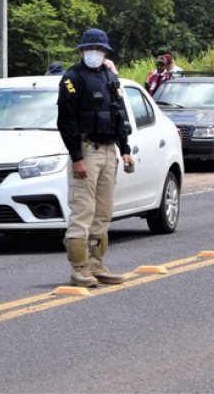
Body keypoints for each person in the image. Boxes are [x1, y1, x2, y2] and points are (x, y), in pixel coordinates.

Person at [57, 28, 135, 288]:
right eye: (91, 48)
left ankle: (95, 264)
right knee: (83, 210)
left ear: (105, 52)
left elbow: (119, 114)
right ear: (81, 51)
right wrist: (76, 157)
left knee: (103, 211)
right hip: (87, 150)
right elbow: (66, 121)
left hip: (109, 150)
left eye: (99, 49)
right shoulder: (72, 78)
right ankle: (79, 268)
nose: (95, 53)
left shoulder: (110, 77)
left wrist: (125, 149)